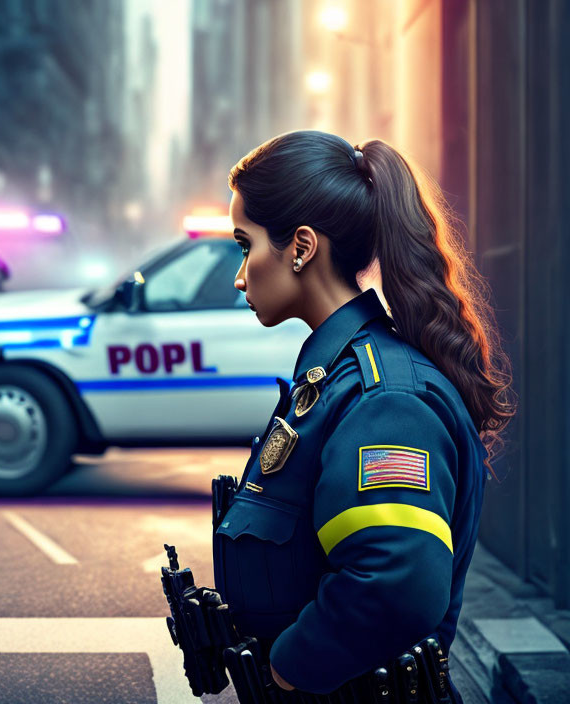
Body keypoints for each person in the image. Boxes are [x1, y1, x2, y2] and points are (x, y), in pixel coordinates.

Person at [213, 131, 515, 700]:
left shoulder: (386, 402)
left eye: (243, 245)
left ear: (301, 247)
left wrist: (287, 672)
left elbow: (395, 585)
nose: (240, 274)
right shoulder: (332, 380)